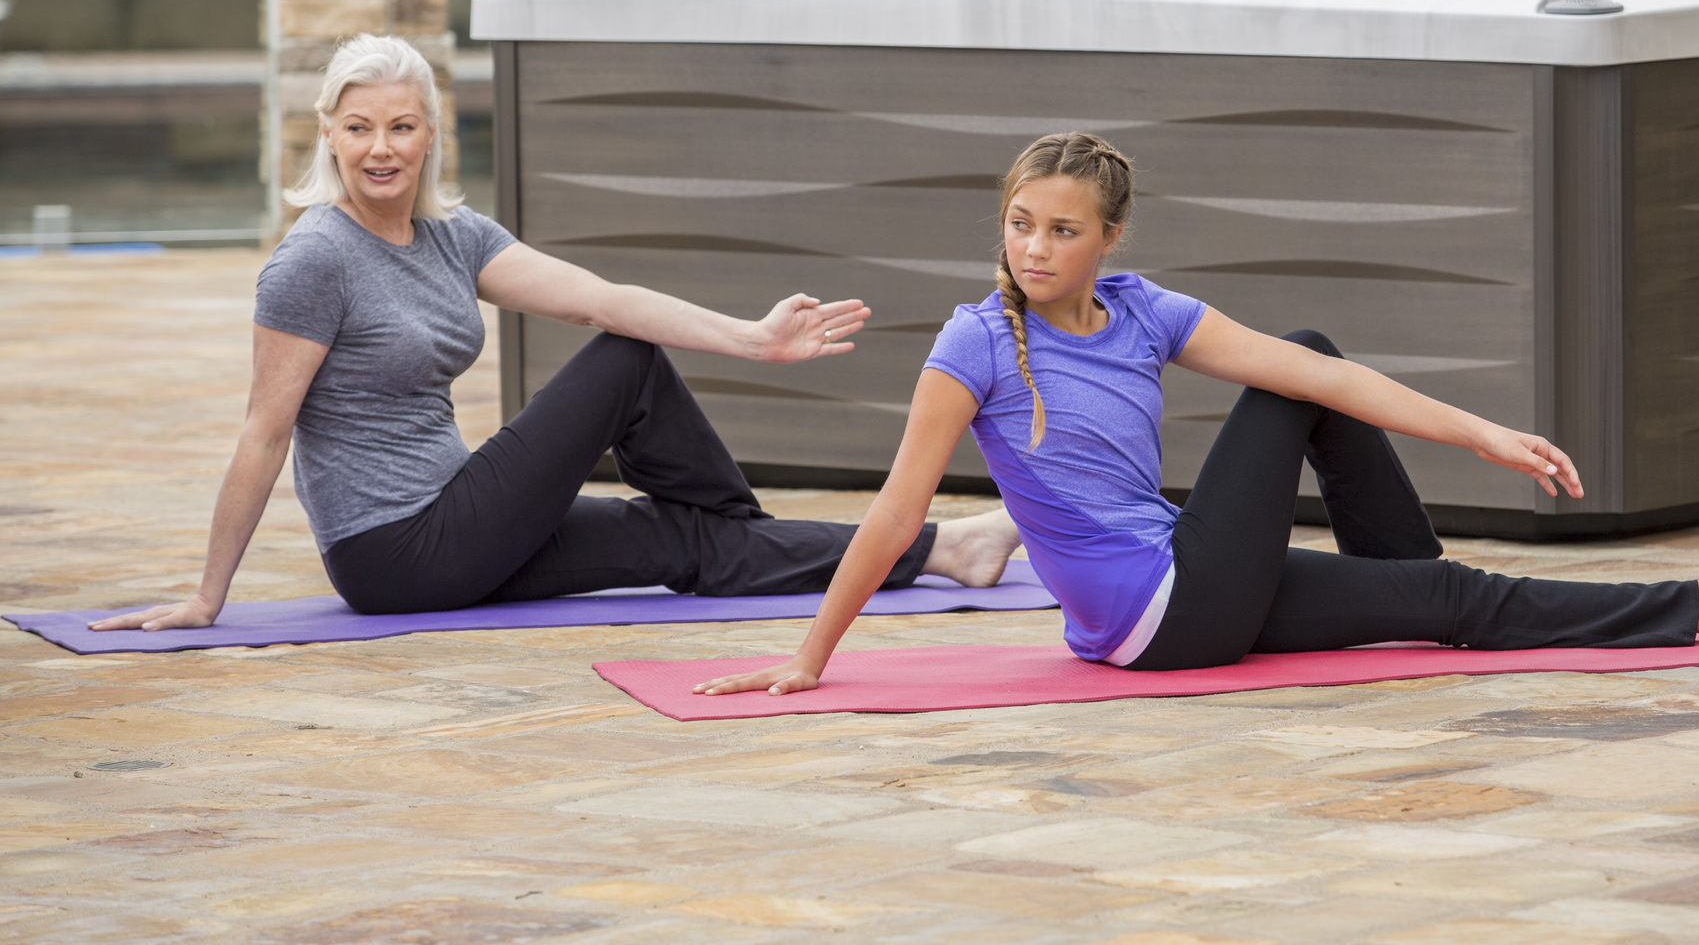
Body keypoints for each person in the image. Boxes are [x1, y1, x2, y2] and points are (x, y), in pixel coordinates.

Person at [701, 131, 1699, 697]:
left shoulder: (1143, 311)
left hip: (1178, 602)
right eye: (1019, 223)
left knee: (1345, 417)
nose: (1034, 247)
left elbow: (1345, 395)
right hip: (1157, 605)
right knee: (1302, 357)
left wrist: (1484, 430)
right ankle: (1410, 574)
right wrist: (810, 656)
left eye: (1061, 229)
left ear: (1107, 238)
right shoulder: (973, 341)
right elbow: (900, 509)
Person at [92, 34, 1018, 634]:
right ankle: (740, 524)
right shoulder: (313, 260)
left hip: (464, 521)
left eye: (402, 127)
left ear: (429, 137)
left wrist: (752, 337)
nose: (382, 147)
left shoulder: (451, 237)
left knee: (673, 542)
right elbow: (265, 428)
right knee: (624, 365)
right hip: (396, 551)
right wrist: (209, 594)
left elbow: (597, 293)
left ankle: (945, 551)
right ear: (329, 136)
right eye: (361, 127)